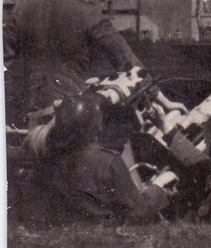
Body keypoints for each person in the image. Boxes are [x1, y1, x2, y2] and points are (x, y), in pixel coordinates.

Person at [9, 0, 144, 112]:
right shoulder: (89, 12)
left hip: (25, 107)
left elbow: (4, 53)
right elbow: (126, 60)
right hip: (69, 110)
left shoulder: (25, 7)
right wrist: (155, 92)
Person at [31, 92, 173, 225]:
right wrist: (158, 185)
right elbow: (139, 211)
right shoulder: (108, 162)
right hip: (109, 231)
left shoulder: (52, 158)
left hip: (76, 228)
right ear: (97, 127)